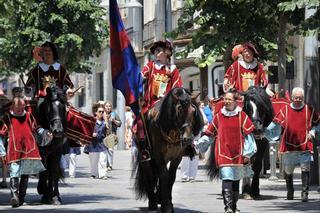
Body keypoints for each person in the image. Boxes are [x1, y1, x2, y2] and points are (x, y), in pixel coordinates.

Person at [197, 89, 256, 213]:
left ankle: (233, 206)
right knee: (227, 178)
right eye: (225, 99)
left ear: (235, 101)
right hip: (223, 152)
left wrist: (248, 152)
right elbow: (210, 133)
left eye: (229, 99)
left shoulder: (242, 116)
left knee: (235, 180)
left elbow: (249, 135)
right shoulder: (219, 116)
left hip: (238, 154)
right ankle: (228, 207)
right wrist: (202, 142)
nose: (227, 101)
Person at [265, 87, 320, 202]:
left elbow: (318, 123)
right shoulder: (285, 110)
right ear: (292, 98)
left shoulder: (309, 110)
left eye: (300, 98)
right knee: (288, 171)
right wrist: (264, 132)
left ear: (303, 98)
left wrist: (313, 131)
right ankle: (290, 190)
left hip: (305, 145)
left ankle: (305, 193)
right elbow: (274, 124)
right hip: (289, 146)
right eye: (296, 98)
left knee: (305, 168)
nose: (298, 100)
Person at [0, 93, 53, 207]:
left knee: (25, 174)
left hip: (29, 149)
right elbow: (1, 134)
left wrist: (45, 133)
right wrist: (2, 151)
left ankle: (21, 197)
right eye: (18, 107)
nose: (20, 109)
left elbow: (36, 128)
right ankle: (14, 196)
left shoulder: (28, 115)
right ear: (12, 106)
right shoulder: (7, 117)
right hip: (14, 150)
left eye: (22, 107)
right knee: (14, 172)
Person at [136, 39, 183, 161]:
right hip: (151, 104)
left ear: (167, 52)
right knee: (141, 122)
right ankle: (144, 149)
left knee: (185, 117)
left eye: (159, 50)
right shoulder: (150, 65)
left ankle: (187, 144)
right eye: (155, 51)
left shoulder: (173, 69)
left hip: (167, 105)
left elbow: (177, 87)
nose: (156, 53)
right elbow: (140, 77)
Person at [85, 104, 108, 179]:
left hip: (102, 143)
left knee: (103, 159)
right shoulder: (91, 121)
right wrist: (91, 134)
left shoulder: (105, 122)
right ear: (96, 113)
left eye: (102, 111)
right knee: (93, 161)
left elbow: (109, 132)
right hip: (93, 144)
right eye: (100, 111)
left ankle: (103, 174)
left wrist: (107, 122)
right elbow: (86, 131)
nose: (101, 113)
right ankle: (93, 174)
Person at [104, 101, 121, 171]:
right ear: (104, 107)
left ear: (111, 107)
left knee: (110, 150)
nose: (108, 107)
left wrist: (114, 121)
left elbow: (120, 123)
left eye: (109, 106)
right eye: (107, 106)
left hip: (111, 134)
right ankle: (105, 164)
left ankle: (110, 165)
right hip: (103, 135)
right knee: (104, 151)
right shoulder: (102, 114)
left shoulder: (114, 114)